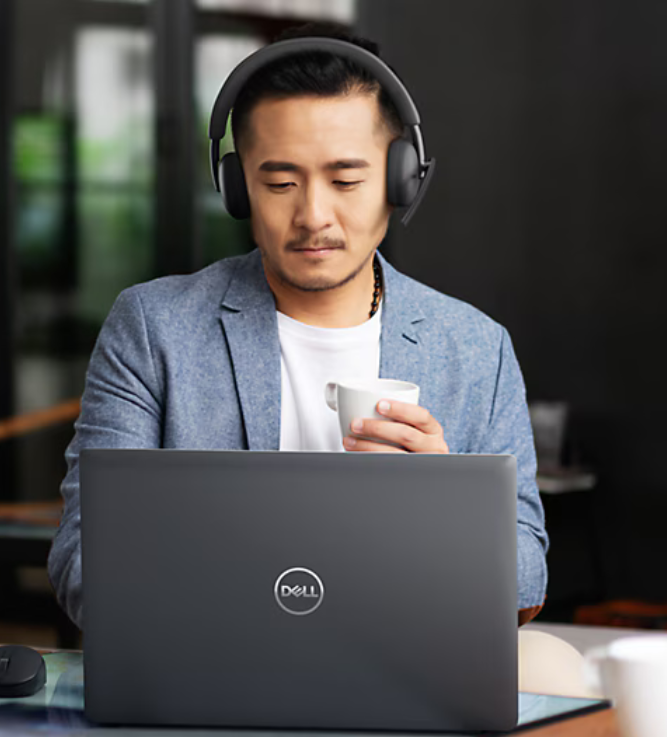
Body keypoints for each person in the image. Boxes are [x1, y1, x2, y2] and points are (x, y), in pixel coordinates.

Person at [48, 24, 548, 633]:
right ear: (237, 187)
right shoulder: (155, 328)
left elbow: (528, 580)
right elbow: (84, 563)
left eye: (346, 181)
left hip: (400, 662)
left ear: (401, 180)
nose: (313, 216)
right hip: (214, 661)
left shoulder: (475, 348)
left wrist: (444, 509)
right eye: (280, 183)